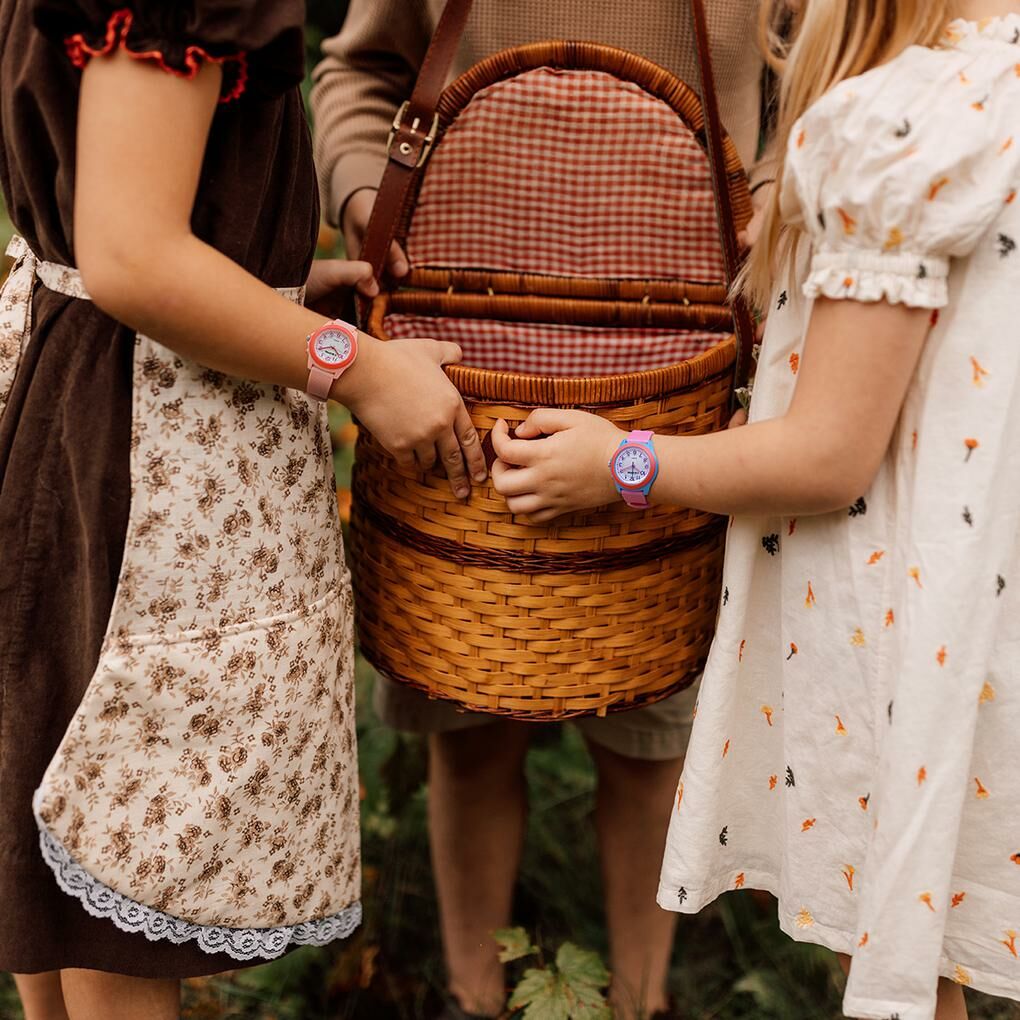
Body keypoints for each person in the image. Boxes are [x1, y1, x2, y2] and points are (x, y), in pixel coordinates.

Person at [490, 0, 1020, 1017]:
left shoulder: (898, 125)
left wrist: (622, 465)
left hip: (910, 610)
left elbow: (828, 456)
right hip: (992, 587)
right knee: (941, 917)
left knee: (900, 955)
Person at [0, 2, 485, 1018]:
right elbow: (133, 256)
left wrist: (266, 282)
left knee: (62, 830)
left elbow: (113, 195)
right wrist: (354, 369)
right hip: (151, 452)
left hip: (75, 381)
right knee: (125, 855)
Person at [310, 4, 769, 1018]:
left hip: (676, 378)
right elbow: (356, 76)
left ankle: (640, 1001)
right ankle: (475, 997)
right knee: (469, 733)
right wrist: (375, 206)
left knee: (650, 748)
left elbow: (810, 103)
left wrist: (762, 233)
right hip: (458, 369)